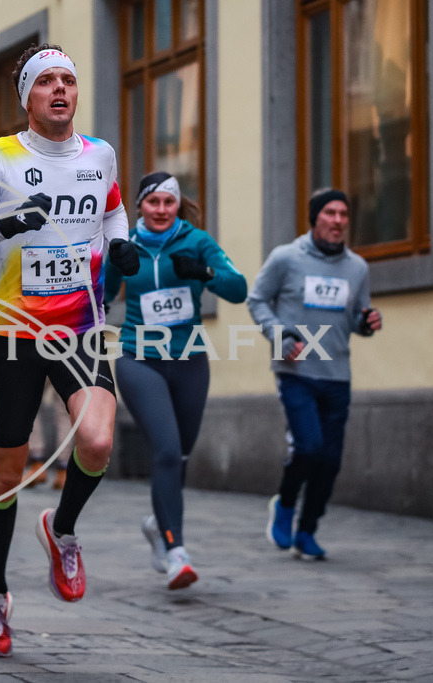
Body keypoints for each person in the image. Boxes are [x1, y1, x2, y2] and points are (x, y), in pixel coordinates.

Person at [0, 43, 140, 656]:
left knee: (98, 440)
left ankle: (64, 529)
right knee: (5, 474)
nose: (59, 90)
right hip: (14, 333)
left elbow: (112, 214)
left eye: (68, 81)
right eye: (45, 81)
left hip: (79, 327)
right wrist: (7, 225)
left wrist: (122, 246)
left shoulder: (98, 156)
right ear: (26, 96)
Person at [104, 171, 248, 589]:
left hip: (189, 361)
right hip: (137, 358)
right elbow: (101, 295)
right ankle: (176, 551)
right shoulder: (126, 242)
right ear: (140, 207)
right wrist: (115, 265)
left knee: (181, 457)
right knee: (166, 451)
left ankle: (158, 522)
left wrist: (204, 272)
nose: (162, 210)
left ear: (178, 205)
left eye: (169, 202)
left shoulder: (197, 241)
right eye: (153, 203)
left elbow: (238, 289)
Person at [248, 188, 381, 560]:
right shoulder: (286, 258)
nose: (338, 220)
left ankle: (307, 530)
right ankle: (285, 506)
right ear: (314, 218)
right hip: (296, 370)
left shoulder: (357, 267)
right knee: (308, 447)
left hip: (337, 374)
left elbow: (357, 316)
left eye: (344, 214)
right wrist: (279, 334)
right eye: (330, 213)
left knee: (331, 460)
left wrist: (367, 321)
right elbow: (257, 300)